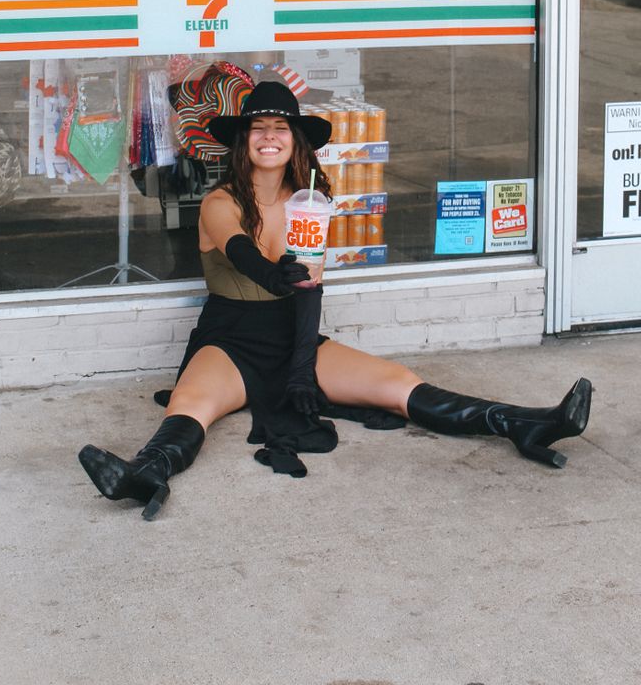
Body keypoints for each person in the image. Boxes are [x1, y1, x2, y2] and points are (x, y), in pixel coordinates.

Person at [78, 81, 593, 519]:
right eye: (259, 129)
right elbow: (243, 256)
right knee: (193, 407)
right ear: (243, 142)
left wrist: (303, 364)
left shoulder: (309, 205)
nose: (270, 137)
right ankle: (145, 475)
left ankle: (526, 424)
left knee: (396, 384)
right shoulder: (220, 202)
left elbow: (309, 291)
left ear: (295, 141)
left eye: (281, 128)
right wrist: (278, 275)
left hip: (292, 334)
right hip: (230, 339)